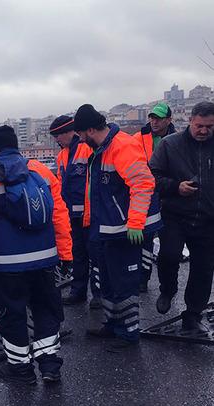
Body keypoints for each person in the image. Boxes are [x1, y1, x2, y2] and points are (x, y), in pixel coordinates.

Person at [0, 125, 72, 384]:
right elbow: (59, 215)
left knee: (12, 315)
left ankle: (20, 370)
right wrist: (66, 254)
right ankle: (50, 364)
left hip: (7, 264)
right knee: (46, 310)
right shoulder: (40, 171)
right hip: (44, 259)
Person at [74, 104, 162, 352]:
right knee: (110, 282)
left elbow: (143, 184)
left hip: (125, 229)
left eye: (81, 134)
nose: (80, 139)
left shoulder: (121, 146)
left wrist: (135, 223)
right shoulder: (102, 149)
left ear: (91, 129)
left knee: (124, 282)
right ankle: (113, 325)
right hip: (107, 228)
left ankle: (129, 334)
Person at [149, 101, 214, 331]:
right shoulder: (170, 145)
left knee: (204, 268)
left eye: (209, 126)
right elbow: (152, 177)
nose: (204, 131)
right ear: (190, 121)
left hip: (207, 219)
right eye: (199, 126)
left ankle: (193, 314)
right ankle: (167, 289)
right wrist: (176, 187)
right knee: (168, 255)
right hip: (175, 215)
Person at [50, 115, 100, 308]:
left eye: (58, 136)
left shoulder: (87, 149)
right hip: (71, 215)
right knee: (77, 254)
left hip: (90, 213)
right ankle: (77, 292)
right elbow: (60, 183)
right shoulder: (62, 155)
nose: (56, 140)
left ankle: (98, 294)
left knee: (96, 255)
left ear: (70, 132)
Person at [133, 102, 176, 293]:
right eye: (151, 117)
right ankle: (142, 277)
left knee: (168, 245)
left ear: (168, 120)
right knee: (146, 239)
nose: (154, 121)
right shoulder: (138, 138)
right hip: (147, 195)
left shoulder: (176, 139)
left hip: (168, 194)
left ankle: (167, 285)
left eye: (158, 118)